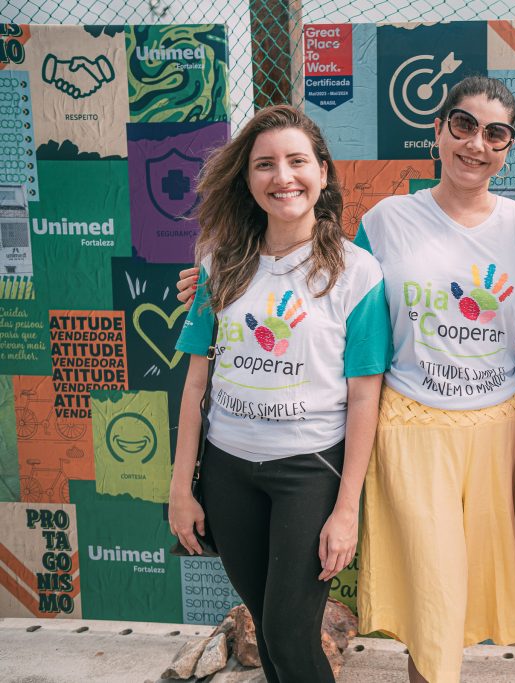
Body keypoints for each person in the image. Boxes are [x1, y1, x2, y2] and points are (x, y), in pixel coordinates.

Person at [168, 105, 391, 683]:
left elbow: (364, 398)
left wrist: (346, 509)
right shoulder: (219, 264)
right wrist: (180, 487)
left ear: (323, 172)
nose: (282, 176)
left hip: (310, 471)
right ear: (247, 179)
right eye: (265, 164)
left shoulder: (358, 272)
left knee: (291, 633)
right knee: (269, 633)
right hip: (228, 473)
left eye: (297, 161)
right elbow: (196, 382)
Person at [354, 76, 515, 683]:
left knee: (476, 591)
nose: (476, 144)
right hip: (411, 425)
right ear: (437, 130)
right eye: (463, 125)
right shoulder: (386, 220)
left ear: (508, 147)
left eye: (495, 133)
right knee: (432, 595)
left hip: (498, 430)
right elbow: (330, 294)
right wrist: (221, 282)